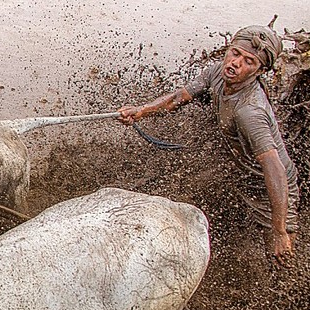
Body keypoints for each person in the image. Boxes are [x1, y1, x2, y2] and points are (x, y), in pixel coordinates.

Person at [118, 25, 299, 267]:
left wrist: (279, 230)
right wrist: (140, 111)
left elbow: (275, 169)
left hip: (265, 188)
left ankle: (288, 293)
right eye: (235, 53)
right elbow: (178, 98)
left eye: (248, 62)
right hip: (236, 170)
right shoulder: (218, 73)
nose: (236, 63)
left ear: (260, 71)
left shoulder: (249, 112)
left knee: (278, 255)